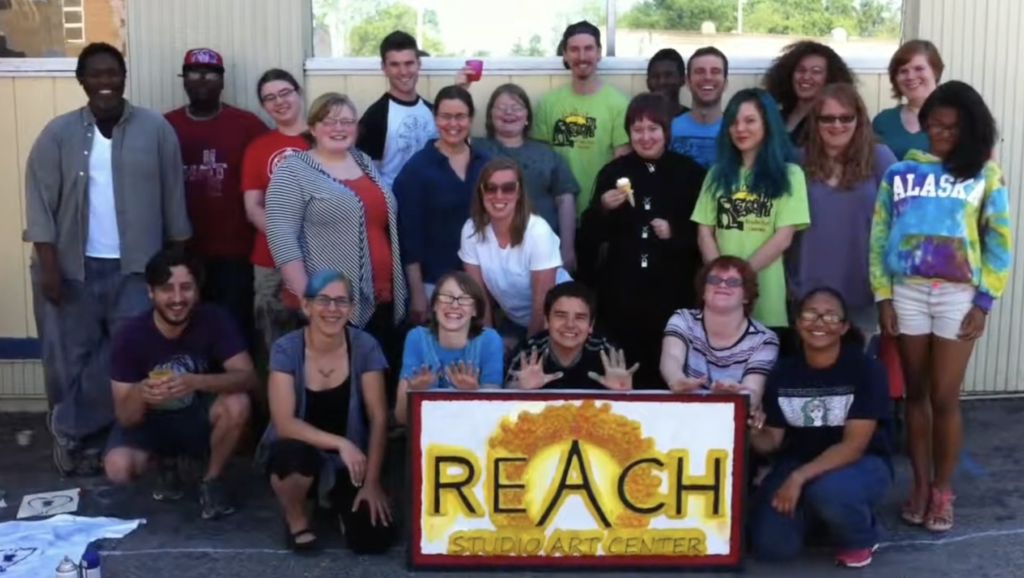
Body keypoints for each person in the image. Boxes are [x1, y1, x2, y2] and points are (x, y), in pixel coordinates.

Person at [24, 42, 192, 475]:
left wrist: (175, 266)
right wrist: (49, 268)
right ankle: (79, 444)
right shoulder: (57, 134)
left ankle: (69, 425)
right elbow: (40, 203)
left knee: (128, 356)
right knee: (70, 360)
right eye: (95, 75)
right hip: (72, 268)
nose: (105, 82)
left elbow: (174, 198)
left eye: (112, 73)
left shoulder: (155, 130)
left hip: (137, 269)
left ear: (124, 77)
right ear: (82, 81)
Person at [869, 81, 1011, 533]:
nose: (942, 131)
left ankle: (943, 490)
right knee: (914, 395)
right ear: (924, 122)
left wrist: (984, 301)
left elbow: (999, 243)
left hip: (957, 296)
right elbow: (877, 238)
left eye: (952, 125)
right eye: (935, 123)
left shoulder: (985, 176)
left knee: (944, 396)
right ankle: (920, 485)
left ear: (968, 128)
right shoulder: (900, 175)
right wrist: (883, 295)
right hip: (906, 291)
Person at [266, 92, 407, 391]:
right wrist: (308, 296)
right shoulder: (293, 171)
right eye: (329, 121)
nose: (339, 128)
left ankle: (375, 438)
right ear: (313, 127)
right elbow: (281, 235)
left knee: (376, 382)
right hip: (329, 303)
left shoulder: (364, 162)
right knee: (341, 388)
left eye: (347, 121)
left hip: (379, 295)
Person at [103, 249, 255, 520]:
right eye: (166, 289)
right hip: (149, 423)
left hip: (195, 413)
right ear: (151, 293)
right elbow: (125, 417)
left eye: (186, 288)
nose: (177, 298)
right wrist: (142, 391)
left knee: (238, 403)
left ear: (197, 290)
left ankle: (211, 480)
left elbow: (248, 378)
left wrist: (195, 381)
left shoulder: (214, 318)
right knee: (117, 468)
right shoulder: (129, 335)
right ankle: (165, 465)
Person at [748, 287, 893, 568]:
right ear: (797, 322)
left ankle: (862, 534)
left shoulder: (865, 370)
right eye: (811, 314)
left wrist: (798, 478)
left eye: (830, 317)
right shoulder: (782, 373)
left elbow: (853, 446)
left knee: (830, 492)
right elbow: (772, 442)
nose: (819, 323)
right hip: (798, 461)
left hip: (862, 464)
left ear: (844, 327)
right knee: (771, 547)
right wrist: (754, 431)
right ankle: (823, 517)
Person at [256, 270, 395, 553]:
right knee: (289, 457)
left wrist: (372, 483)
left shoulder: (365, 346)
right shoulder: (286, 349)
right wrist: (340, 443)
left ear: (352, 308)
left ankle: (336, 504)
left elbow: (380, 418)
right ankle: (297, 517)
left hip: (351, 463)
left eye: (341, 302)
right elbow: (284, 423)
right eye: (323, 300)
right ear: (306, 306)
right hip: (302, 453)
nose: (333, 309)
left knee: (372, 539)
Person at [577, 92, 706, 388]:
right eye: (637, 130)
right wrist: (603, 210)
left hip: (673, 295)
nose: (645, 137)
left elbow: (705, 234)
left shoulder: (690, 173)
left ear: (666, 132)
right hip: (620, 299)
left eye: (653, 129)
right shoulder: (613, 172)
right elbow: (587, 240)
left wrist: (675, 233)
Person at [165, 48, 269, 352]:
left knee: (234, 336)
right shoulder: (165, 126)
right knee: (187, 336)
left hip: (235, 255)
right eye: (193, 72)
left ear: (222, 81)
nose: (202, 79)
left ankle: (241, 398)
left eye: (210, 73)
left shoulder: (247, 125)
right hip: (182, 254)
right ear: (183, 79)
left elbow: (275, 167)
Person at [691, 88, 810, 348]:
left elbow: (783, 238)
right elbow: (704, 232)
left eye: (749, 121)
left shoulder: (790, 175)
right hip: (719, 301)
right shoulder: (716, 174)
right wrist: (723, 281)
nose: (740, 129)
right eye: (733, 122)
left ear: (767, 124)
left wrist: (739, 280)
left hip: (767, 300)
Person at [791, 83, 898, 337]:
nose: (836, 125)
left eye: (845, 118)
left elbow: (907, 218)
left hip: (862, 288)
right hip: (805, 290)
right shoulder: (797, 161)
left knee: (856, 371)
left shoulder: (879, 157)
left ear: (859, 119)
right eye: (827, 118)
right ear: (814, 122)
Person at [394, 86, 490, 325]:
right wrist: (417, 293)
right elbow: (409, 236)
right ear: (435, 118)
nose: (453, 124)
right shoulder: (417, 169)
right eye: (446, 116)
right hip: (434, 282)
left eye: (460, 116)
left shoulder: (485, 164)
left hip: (483, 280)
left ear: (471, 119)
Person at [459, 156, 571, 350]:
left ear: (519, 192)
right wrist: (491, 345)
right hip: (515, 321)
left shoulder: (538, 231)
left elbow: (542, 304)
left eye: (508, 188)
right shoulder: (471, 230)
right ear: (481, 192)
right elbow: (479, 298)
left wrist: (528, 351)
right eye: (491, 188)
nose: (499, 195)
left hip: (557, 318)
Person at [474, 84, 580, 270]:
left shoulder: (547, 153)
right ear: (491, 115)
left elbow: (565, 199)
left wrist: (568, 248)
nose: (509, 113)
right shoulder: (476, 149)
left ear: (527, 117)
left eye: (516, 108)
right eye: (501, 107)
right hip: (491, 251)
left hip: (542, 250)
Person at [243, 69, 311, 355]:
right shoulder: (259, 147)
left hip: (321, 257)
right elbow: (253, 207)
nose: (279, 102)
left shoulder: (325, 138)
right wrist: (286, 243)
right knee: (278, 345)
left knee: (321, 339)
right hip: (270, 260)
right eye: (269, 98)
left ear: (299, 93)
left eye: (285, 93)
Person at [532, 21, 631, 210]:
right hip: (556, 209)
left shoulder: (619, 103)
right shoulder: (548, 103)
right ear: (565, 54)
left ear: (599, 52)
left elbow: (622, 166)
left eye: (589, 49)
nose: (582, 56)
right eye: (574, 50)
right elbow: (540, 163)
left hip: (600, 212)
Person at [660, 256, 778, 408]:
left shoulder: (764, 339)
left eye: (733, 282)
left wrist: (736, 395)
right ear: (703, 291)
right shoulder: (683, 319)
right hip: (685, 414)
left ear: (746, 296)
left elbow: (753, 391)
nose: (722, 285)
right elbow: (672, 356)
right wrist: (676, 379)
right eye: (714, 280)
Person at [394, 272, 505, 424]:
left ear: (475, 310)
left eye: (464, 299)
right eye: (446, 297)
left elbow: (493, 418)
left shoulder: (490, 340)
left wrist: (473, 393)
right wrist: (414, 393)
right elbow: (401, 417)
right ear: (434, 305)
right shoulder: (416, 338)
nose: (454, 305)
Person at [506, 281, 637, 391]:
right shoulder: (530, 352)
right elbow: (502, 396)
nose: (570, 324)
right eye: (561, 315)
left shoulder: (607, 353)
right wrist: (520, 388)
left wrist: (623, 392)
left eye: (580, 317)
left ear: (591, 325)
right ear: (546, 321)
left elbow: (629, 402)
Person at [357, 31, 438, 190]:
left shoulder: (432, 111)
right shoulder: (375, 117)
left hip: (432, 205)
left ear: (419, 64)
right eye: (395, 64)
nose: (403, 72)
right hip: (394, 209)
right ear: (384, 68)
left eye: (409, 63)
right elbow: (365, 176)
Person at [762, 41, 855, 145]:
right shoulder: (777, 115)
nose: (806, 77)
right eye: (801, 70)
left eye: (816, 71)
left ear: (829, 78)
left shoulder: (829, 121)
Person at [873, 40, 943, 160]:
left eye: (919, 69)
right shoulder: (884, 121)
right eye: (903, 71)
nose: (910, 77)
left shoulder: (955, 118)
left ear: (935, 71)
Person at [670, 46, 728, 168]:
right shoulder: (668, 129)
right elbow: (652, 167)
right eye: (699, 71)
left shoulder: (737, 131)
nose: (707, 77)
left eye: (715, 71)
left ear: (725, 83)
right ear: (687, 81)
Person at [646, 48, 689, 118]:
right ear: (647, 82)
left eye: (668, 75)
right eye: (655, 76)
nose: (661, 81)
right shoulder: (638, 119)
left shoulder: (694, 121)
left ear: (683, 80)